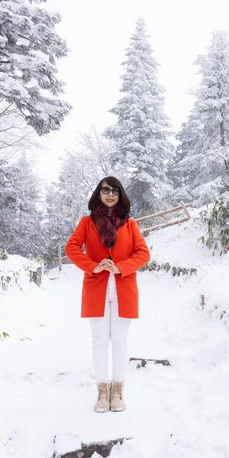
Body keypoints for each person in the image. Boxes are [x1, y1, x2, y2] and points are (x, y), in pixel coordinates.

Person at [65, 176, 150, 413]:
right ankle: (102, 392)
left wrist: (121, 266)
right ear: (99, 193)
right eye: (105, 190)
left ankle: (117, 390)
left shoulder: (130, 224)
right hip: (96, 289)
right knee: (100, 341)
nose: (110, 194)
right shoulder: (86, 222)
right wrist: (93, 265)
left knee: (120, 341)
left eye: (114, 190)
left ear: (120, 194)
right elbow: (71, 248)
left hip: (124, 289)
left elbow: (143, 254)